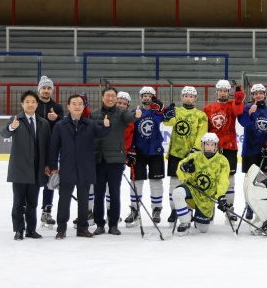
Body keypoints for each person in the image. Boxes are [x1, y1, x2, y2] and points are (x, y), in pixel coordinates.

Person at [47, 94, 111, 239]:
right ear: (68, 106)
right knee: (64, 200)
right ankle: (61, 229)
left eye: (80, 104)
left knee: (84, 201)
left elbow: (102, 133)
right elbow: (53, 148)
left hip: (85, 169)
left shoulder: (90, 124)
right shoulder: (60, 125)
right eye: (74, 104)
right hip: (67, 169)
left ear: (84, 107)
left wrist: (107, 126)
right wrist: (53, 166)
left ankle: (82, 228)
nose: (77, 106)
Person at [89, 86, 138, 236]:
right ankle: (99, 224)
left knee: (115, 193)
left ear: (116, 99)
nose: (110, 98)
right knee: (99, 193)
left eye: (113, 96)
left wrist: (136, 114)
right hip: (98, 160)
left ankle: (113, 224)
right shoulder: (94, 114)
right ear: (102, 98)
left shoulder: (122, 113)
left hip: (116, 160)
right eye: (107, 95)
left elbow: (130, 118)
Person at [3, 90, 51, 240]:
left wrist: (48, 165)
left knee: (32, 203)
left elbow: (48, 146)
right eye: (27, 102)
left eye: (33, 102)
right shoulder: (16, 119)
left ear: (37, 104)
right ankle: (18, 230)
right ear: (22, 104)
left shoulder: (43, 123)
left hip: (36, 169)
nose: (30, 105)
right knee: (18, 203)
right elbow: (4, 133)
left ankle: (31, 229)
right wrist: (12, 127)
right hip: (19, 169)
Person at [125, 86, 176, 227]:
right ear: (140, 98)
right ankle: (135, 210)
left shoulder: (157, 112)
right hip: (138, 153)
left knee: (156, 181)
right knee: (137, 182)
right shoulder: (133, 112)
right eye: (144, 95)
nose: (147, 98)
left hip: (156, 151)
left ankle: (156, 209)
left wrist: (163, 109)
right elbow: (129, 132)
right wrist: (130, 150)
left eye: (150, 95)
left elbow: (163, 119)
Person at [237, 83, 267, 220]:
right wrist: (249, 113)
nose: (258, 95)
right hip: (250, 149)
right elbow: (243, 123)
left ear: (265, 94)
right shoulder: (246, 108)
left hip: (265, 150)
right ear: (252, 95)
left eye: (261, 93)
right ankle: (249, 205)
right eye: (256, 93)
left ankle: (264, 201)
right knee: (249, 179)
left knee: (264, 178)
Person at [172, 133, 232, 235]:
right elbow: (180, 169)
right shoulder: (194, 156)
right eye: (207, 144)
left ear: (216, 146)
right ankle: (185, 222)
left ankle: (197, 216)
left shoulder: (222, 161)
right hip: (192, 189)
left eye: (212, 145)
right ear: (202, 145)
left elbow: (223, 180)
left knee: (203, 229)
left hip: (207, 197)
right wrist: (183, 168)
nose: (209, 147)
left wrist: (220, 196)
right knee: (177, 193)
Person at [163, 86, 208, 224]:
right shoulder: (176, 111)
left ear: (195, 98)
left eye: (191, 96)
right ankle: (174, 209)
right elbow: (167, 122)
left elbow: (202, 133)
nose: (188, 98)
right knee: (174, 183)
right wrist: (166, 114)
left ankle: (188, 208)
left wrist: (195, 149)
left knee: (190, 183)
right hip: (175, 153)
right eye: (186, 95)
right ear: (182, 97)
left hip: (192, 155)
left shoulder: (201, 115)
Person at [202, 80, 245, 222]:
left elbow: (239, 110)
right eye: (220, 90)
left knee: (230, 180)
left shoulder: (232, 105)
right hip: (211, 148)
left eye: (225, 91)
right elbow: (204, 128)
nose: (222, 93)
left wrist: (239, 95)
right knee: (211, 178)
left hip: (229, 147)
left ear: (228, 93)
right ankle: (209, 208)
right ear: (216, 92)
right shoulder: (208, 108)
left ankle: (229, 208)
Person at [35, 75, 64, 229]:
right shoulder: (33, 104)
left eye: (48, 88)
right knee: (33, 181)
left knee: (50, 181)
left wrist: (57, 118)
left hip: (52, 149)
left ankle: (46, 211)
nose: (46, 91)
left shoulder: (57, 107)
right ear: (39, 89)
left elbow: (65, 124)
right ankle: (29, 211)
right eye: (44, 88)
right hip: (35, 149)